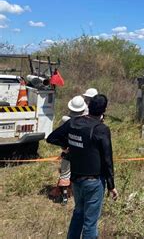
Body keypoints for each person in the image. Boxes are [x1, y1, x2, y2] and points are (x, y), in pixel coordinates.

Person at [46, 94, 118, 239]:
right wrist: (111, 185)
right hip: (94, 182)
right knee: (90, 223)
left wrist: (67, 145)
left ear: (88, 106)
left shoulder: (72, 122)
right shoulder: (101, 129)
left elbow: (51, 137)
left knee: (78, 214)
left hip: (76, 180)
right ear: (104, 110)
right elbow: (107, 159)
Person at [56, 96, 87, 205]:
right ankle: (77, 193)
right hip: (82, 153)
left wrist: (64, 148)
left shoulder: (65, 120)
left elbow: (58, 136)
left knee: (65, 173)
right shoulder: (86, 122)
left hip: (68, 152)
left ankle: (65, 196)